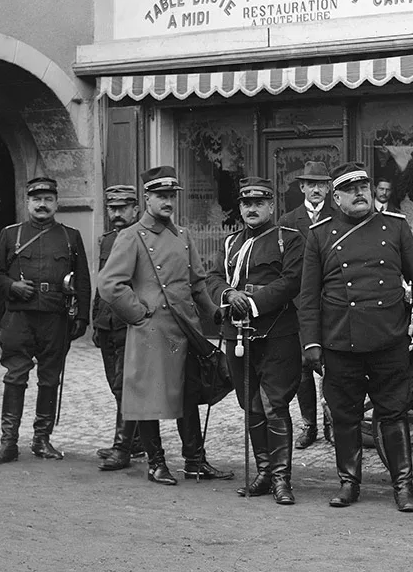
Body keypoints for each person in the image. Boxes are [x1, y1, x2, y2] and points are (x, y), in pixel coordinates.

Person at [297, 161, 413, 512]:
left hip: (388, 339)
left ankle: (403, 486)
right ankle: (349, 483)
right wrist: (311, 343)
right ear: (336, 197)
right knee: (345, 416)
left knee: (394, 412)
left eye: (364, 186)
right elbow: (309, 297)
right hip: (341, 342)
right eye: (351, 189)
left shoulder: (395, 227)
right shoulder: (320, 234)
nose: (360, 193)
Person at [97, 166, 230, 486]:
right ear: (147, 199)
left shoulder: (182, 236)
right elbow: (110, 284)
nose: (168, 201)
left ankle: (195, 461)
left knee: (188, 394)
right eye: (161, 195)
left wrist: (214, 313)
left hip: (185, 330)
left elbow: (197, 284)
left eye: (172, 195)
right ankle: (156, 464)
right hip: (151, 332)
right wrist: (139, 315)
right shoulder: (130, 237)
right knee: (148, 400)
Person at [206, 176, 305, 504]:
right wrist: (228, 293)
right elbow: (213, 276)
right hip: (238, 335)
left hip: (277, 334)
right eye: (246, 204)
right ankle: (263, 472)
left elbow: (292, 281)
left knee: (273, 405)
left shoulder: (288, 239)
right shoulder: (230, 243)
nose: (252, 209)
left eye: (259, 203)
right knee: (250, 405)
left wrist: (251, 302)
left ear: (271, 206)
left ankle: (281, 479)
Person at [0, 176, 90, 465]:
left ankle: (42, 440)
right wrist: (11, 287)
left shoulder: (70, 237)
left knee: (49, 379)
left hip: (55, 319)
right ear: (27, 202)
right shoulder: (11, 235)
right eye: (36, 199)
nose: (42, 204)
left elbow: (82, 279)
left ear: (56, 203)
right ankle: (8, 443)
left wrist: (82, 316)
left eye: (47, 199)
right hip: (19, 318)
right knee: (15, 376)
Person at [280, 160, 337, 450]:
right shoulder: (289, 221)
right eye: (311, 184)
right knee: (303, 365)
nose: (316, 189)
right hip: (301, 303)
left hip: (334, 302)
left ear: (329, 188)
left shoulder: (338, 216)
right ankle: (309, 424)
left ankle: (332, 423)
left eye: (321, 184)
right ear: (302, 187)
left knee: (333, 364)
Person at [93, 184, 144, 471]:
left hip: (129, 323)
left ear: (135, 208)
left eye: (123, 208)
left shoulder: (141, 238)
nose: (117, 213)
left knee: (126, 386)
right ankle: (133, 440)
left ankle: (122, 447)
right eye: (112, 208)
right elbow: (102, 282)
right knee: (116, 385)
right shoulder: (106, 240)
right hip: (106, 323)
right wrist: (94, 319)